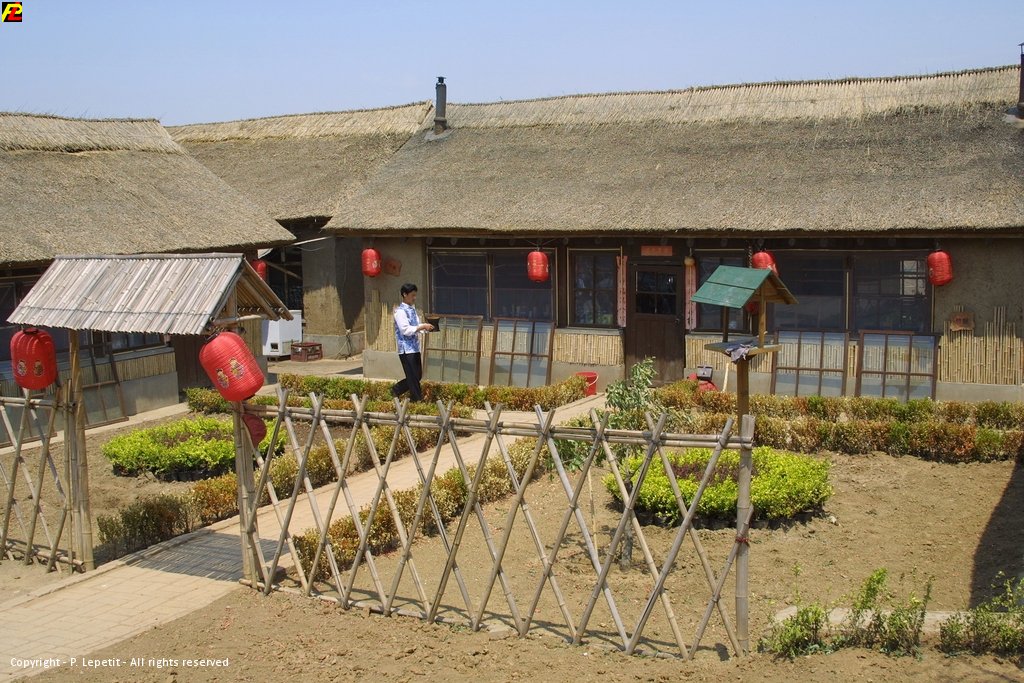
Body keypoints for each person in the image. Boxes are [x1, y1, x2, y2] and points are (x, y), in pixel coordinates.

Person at [391, 283, 433, 401]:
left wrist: (426, 328)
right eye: (412, 295)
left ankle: (396, 390)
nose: (414, 298)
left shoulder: (412, 310)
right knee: (412, 376)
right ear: (405, 294)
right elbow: (405, 330)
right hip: (405, 349)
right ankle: (417, 399)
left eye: (415, 295)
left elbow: (416, 327)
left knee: (417, 375)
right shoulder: (400, 312)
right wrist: (422, 326)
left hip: (414, 347)